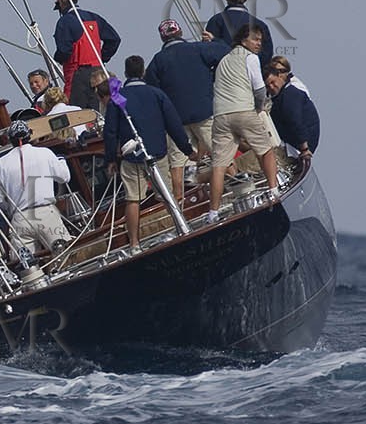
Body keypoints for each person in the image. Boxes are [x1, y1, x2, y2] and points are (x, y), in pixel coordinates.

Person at [102, 55, 194, 252]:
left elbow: (110, 132)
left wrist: (110, 159)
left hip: (131, 156)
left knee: (133, 199)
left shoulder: (117, 99)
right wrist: (187, 149)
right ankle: (181, 227)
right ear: (143, 72)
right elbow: (173, 124)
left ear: (126, 73)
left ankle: (134, 244)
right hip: (157, 153)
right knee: (168, 195)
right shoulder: (157, 94)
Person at [207, 23, 279, 219]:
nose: (258, 44)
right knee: (266, 150)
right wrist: (259, 107)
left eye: (260, 41)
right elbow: (258, 89)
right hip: (243, 110)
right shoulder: (251, 58)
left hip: (221, 116)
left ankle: (213, 212)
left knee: (219, 166)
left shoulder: (223, 61)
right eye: (255, 39)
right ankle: (274, 191)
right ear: (243, 40)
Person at [142, 19, 229, 166]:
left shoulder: (157, 61)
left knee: (178, 165)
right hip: (204, 114)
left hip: (177, 121)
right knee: (222, 157)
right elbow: (227, 53)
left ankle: (179, 190)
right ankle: (238, 184)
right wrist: (215, 40)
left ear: (163, 38)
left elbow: (152, 90)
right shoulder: (199, 49)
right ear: (180, 33)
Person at [0, 121, 71, 259]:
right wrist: (61, 160)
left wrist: (11, 210)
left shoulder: (0, 165)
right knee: (65, 257)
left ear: (10, 140)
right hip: (46, 215)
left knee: (27, 269)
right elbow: (64, 178)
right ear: (30, 135)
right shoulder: (45, 153)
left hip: (20, 218)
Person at [52, 0, 121, 109]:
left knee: (77, 113)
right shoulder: (95, 18)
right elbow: (114, 39)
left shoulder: (65, 22)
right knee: (105, 107)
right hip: (99, 72)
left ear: (62, 5)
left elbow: (64, 50)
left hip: (77, 75)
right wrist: (101, 58)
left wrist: (57, 58)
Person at [204, 0, 274, 64]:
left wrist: (216, 40)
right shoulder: (260, 26)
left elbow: (207, 52)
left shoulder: (216, 21)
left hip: (221, 74)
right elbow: (266, 57)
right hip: (250, 74)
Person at [265, 57, 319, 168]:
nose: (271, 87)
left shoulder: (289, 95)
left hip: (296, 149)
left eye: (273, 82)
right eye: (267, 86)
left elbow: (295, 120)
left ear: (280, 77)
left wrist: (304, 149)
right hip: (294, 144)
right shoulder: (280, 97)